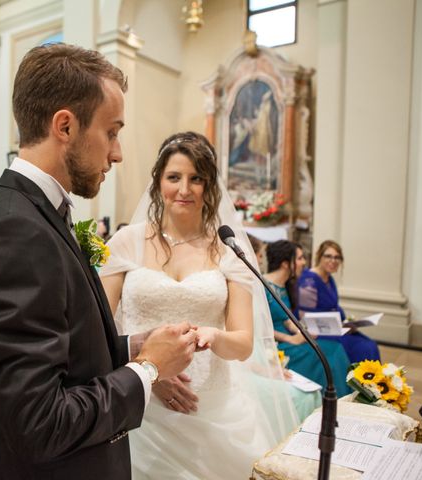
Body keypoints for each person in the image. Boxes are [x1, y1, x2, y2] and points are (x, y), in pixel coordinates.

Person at [0, 43, 197, 480]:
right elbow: (42, 423)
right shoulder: (12, 233)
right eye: (112, 131)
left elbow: (62, 356)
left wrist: (130, 348)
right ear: (65, 125)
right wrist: (148, 369)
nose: (118, 153)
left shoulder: (38, 215)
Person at [100, 131, 300, 479]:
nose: (184, 189)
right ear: (158, 181)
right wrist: (150, 372)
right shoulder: (126, 243)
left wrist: (214, 336)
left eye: (196, 179)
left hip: (212, 407)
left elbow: (242, 344)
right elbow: (97, 329)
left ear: (209, 186)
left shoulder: (228, 251)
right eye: (174, 177)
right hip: (140, 407)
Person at [264, 240, 350, 395]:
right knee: (324, 352)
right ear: (285, 264)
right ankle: (327, 398)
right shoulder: (262, 286)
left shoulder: (285, 285)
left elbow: (286, 318)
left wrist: (300, 331)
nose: (304, 263)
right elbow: (259, 327)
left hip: (288, 335)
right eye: (299, 258)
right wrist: (290, 339)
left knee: (334, 348)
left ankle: (339, 398)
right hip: (273, 343)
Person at [298, 240, 380, 363]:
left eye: (337, 257)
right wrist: (337, 325)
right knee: (364, 348)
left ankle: (368, 379)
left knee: (370, 344)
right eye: (328, 256)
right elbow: (304, 317)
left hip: (334, 326)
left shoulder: (329, 278)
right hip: (318, 330)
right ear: (319, 256)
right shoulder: (309, 281)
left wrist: (347, 323)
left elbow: (333, 306)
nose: (333, 261)